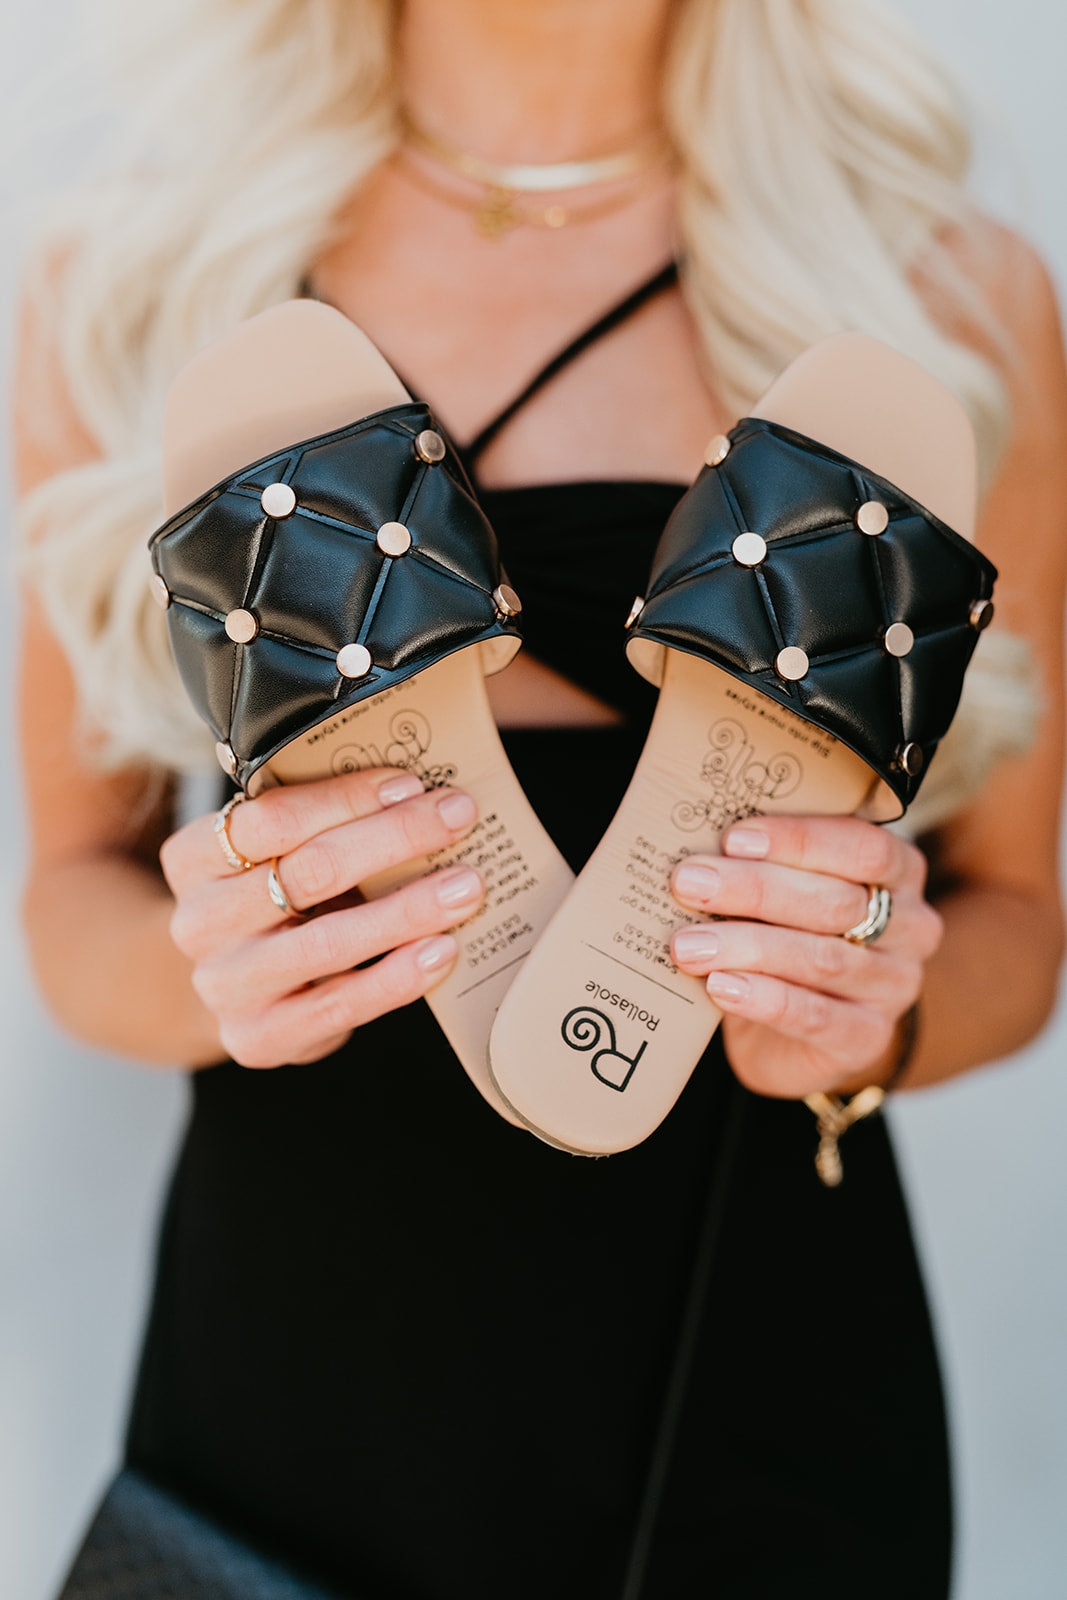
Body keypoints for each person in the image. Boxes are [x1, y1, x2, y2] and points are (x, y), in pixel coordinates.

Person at [13, 1, 1066, 1595]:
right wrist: (220, 966)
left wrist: (875, 1011)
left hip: (752, 1347)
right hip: (303, 1355)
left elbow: (1020, 923)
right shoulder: (134, 286)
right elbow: (67, 896)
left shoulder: (943, 294)